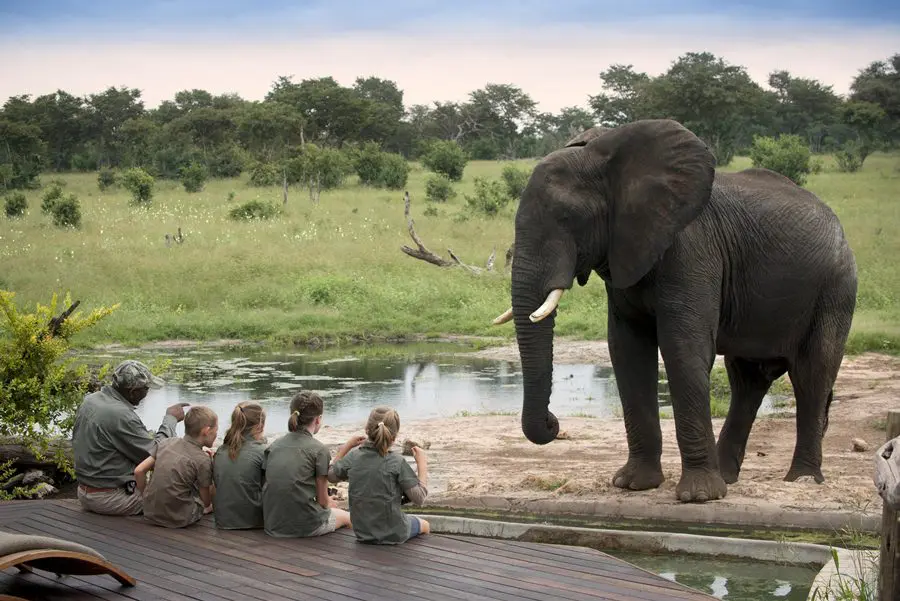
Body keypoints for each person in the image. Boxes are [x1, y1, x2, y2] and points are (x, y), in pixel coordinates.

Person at [72, 359, 188, 516]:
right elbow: (158, 454)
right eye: (146, 389)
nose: (147, 393)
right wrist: (170, 419)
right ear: (133, 392)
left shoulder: (91, 400)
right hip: (111, 499)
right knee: (184, 499)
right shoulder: (121, 415)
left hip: (85, 492)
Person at [328, 406, 431, 544]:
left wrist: (346, 448)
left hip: (362, 532)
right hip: (394, 532)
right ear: (394, 436)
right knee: (425, 525)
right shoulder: (397, 462)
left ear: (367, 429)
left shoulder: (354, 456)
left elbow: (331, 476)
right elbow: (419, 498)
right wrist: (422, 465)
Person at [262, 391, 358, 538]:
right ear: (318, 420)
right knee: (348, 517)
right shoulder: (319, 450)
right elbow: (322, 501)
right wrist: (329, 503)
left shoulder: (274, 446)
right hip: (304, 526)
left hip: (272, 523)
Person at [135, 405, 218, 528]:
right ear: (206, 431)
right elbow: (205, 500)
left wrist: (145, 496)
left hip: (150, 512)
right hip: (180, 518)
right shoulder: (202, 460)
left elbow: (139, 471)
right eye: (216, 430)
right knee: (209, 496)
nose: (216, 434)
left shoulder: (166, 443)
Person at [212, 401, 267, 529]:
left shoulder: (221, 450)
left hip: (223, 520)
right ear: (260, 426)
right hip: (253, 521)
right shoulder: (262, 452)